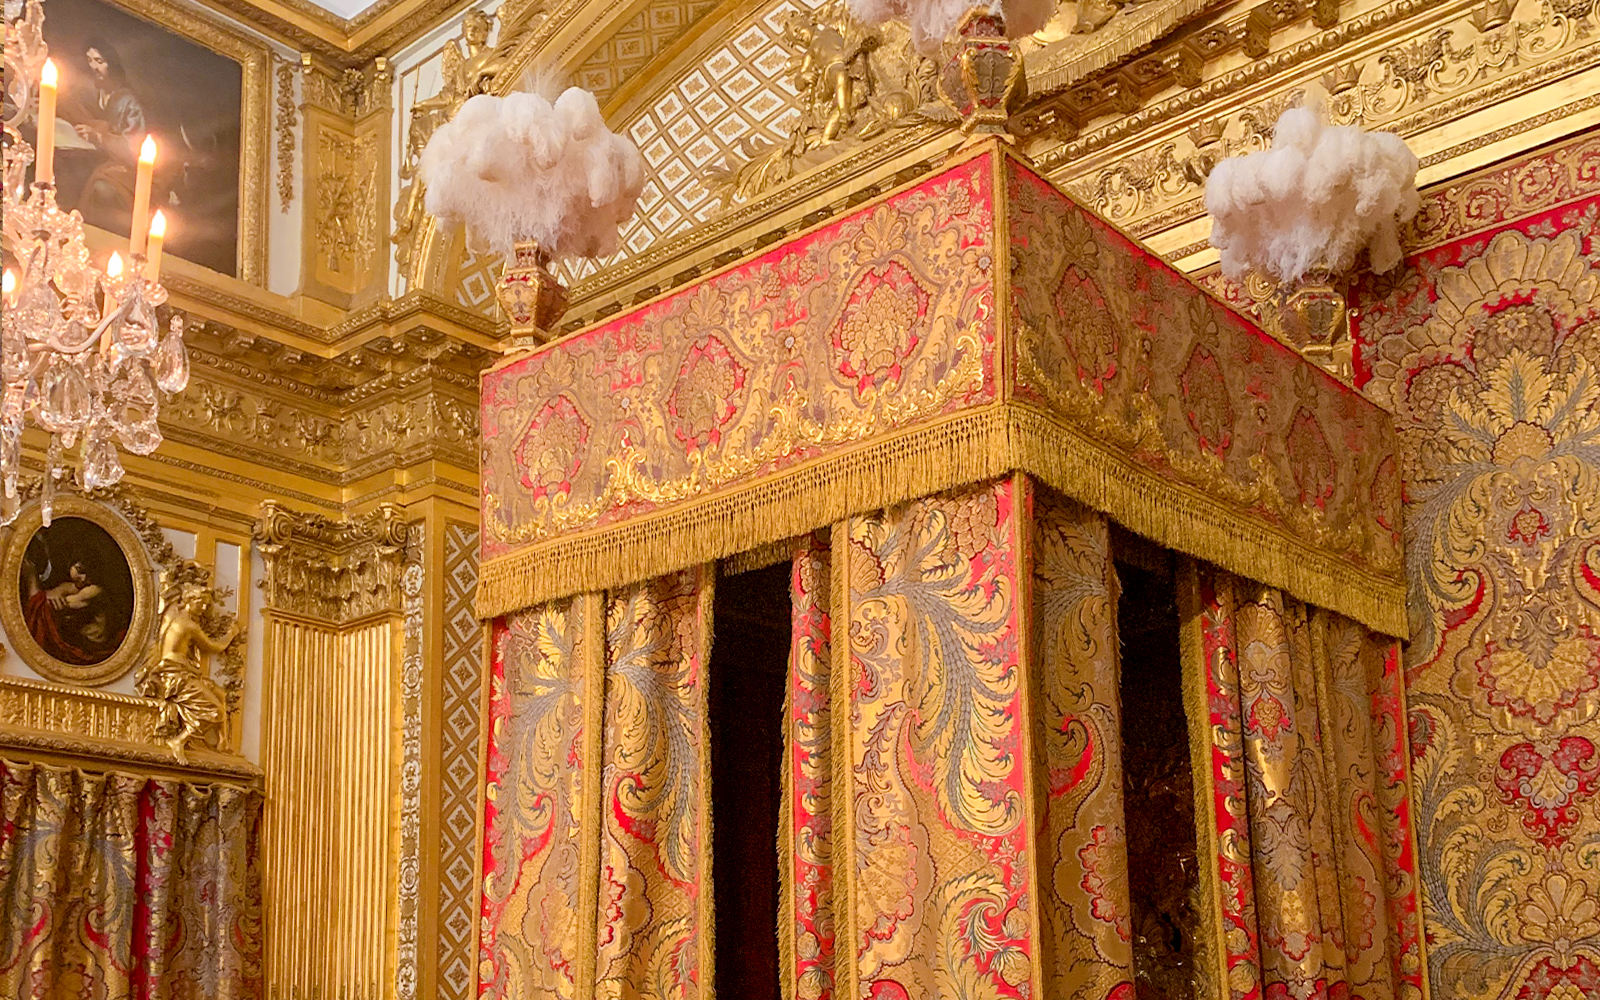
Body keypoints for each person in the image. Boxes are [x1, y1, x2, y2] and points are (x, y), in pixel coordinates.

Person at [22, 555, 121, 665]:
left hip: (93, 648)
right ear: (70, 565)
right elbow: (53, 594)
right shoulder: (73, 586)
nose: (83, 578)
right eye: (79, 570)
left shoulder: (94, 590)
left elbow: (47, 605)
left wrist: (32, 579)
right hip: (80, 643)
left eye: (89, 575)